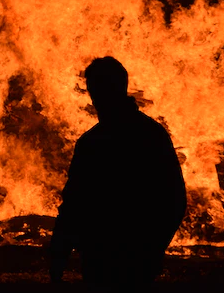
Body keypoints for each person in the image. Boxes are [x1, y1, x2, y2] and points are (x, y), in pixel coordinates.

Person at [50, 57, 186, 290]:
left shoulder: (94, 142)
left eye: (97, 89)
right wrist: (153, 250)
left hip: (104, 260)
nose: (95, 98)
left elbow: (74, 205)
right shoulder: (152, 134)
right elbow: (175, 200)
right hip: (133, 260)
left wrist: (59, 254)